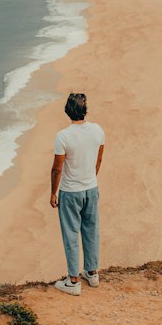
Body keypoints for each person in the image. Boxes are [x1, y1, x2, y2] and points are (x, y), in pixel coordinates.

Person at [50, 91, 104, 295]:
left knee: (71, 234)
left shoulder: (63, 136)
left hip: (70, 192)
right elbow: (98, 160)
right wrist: (90, 178)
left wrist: (53, 193)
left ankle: (73, 281)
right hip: (91, 188)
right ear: (85, 110)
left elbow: (57, 169)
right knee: (91, 230)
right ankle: (92, 272)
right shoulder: (98, 130)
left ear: (68, 111)